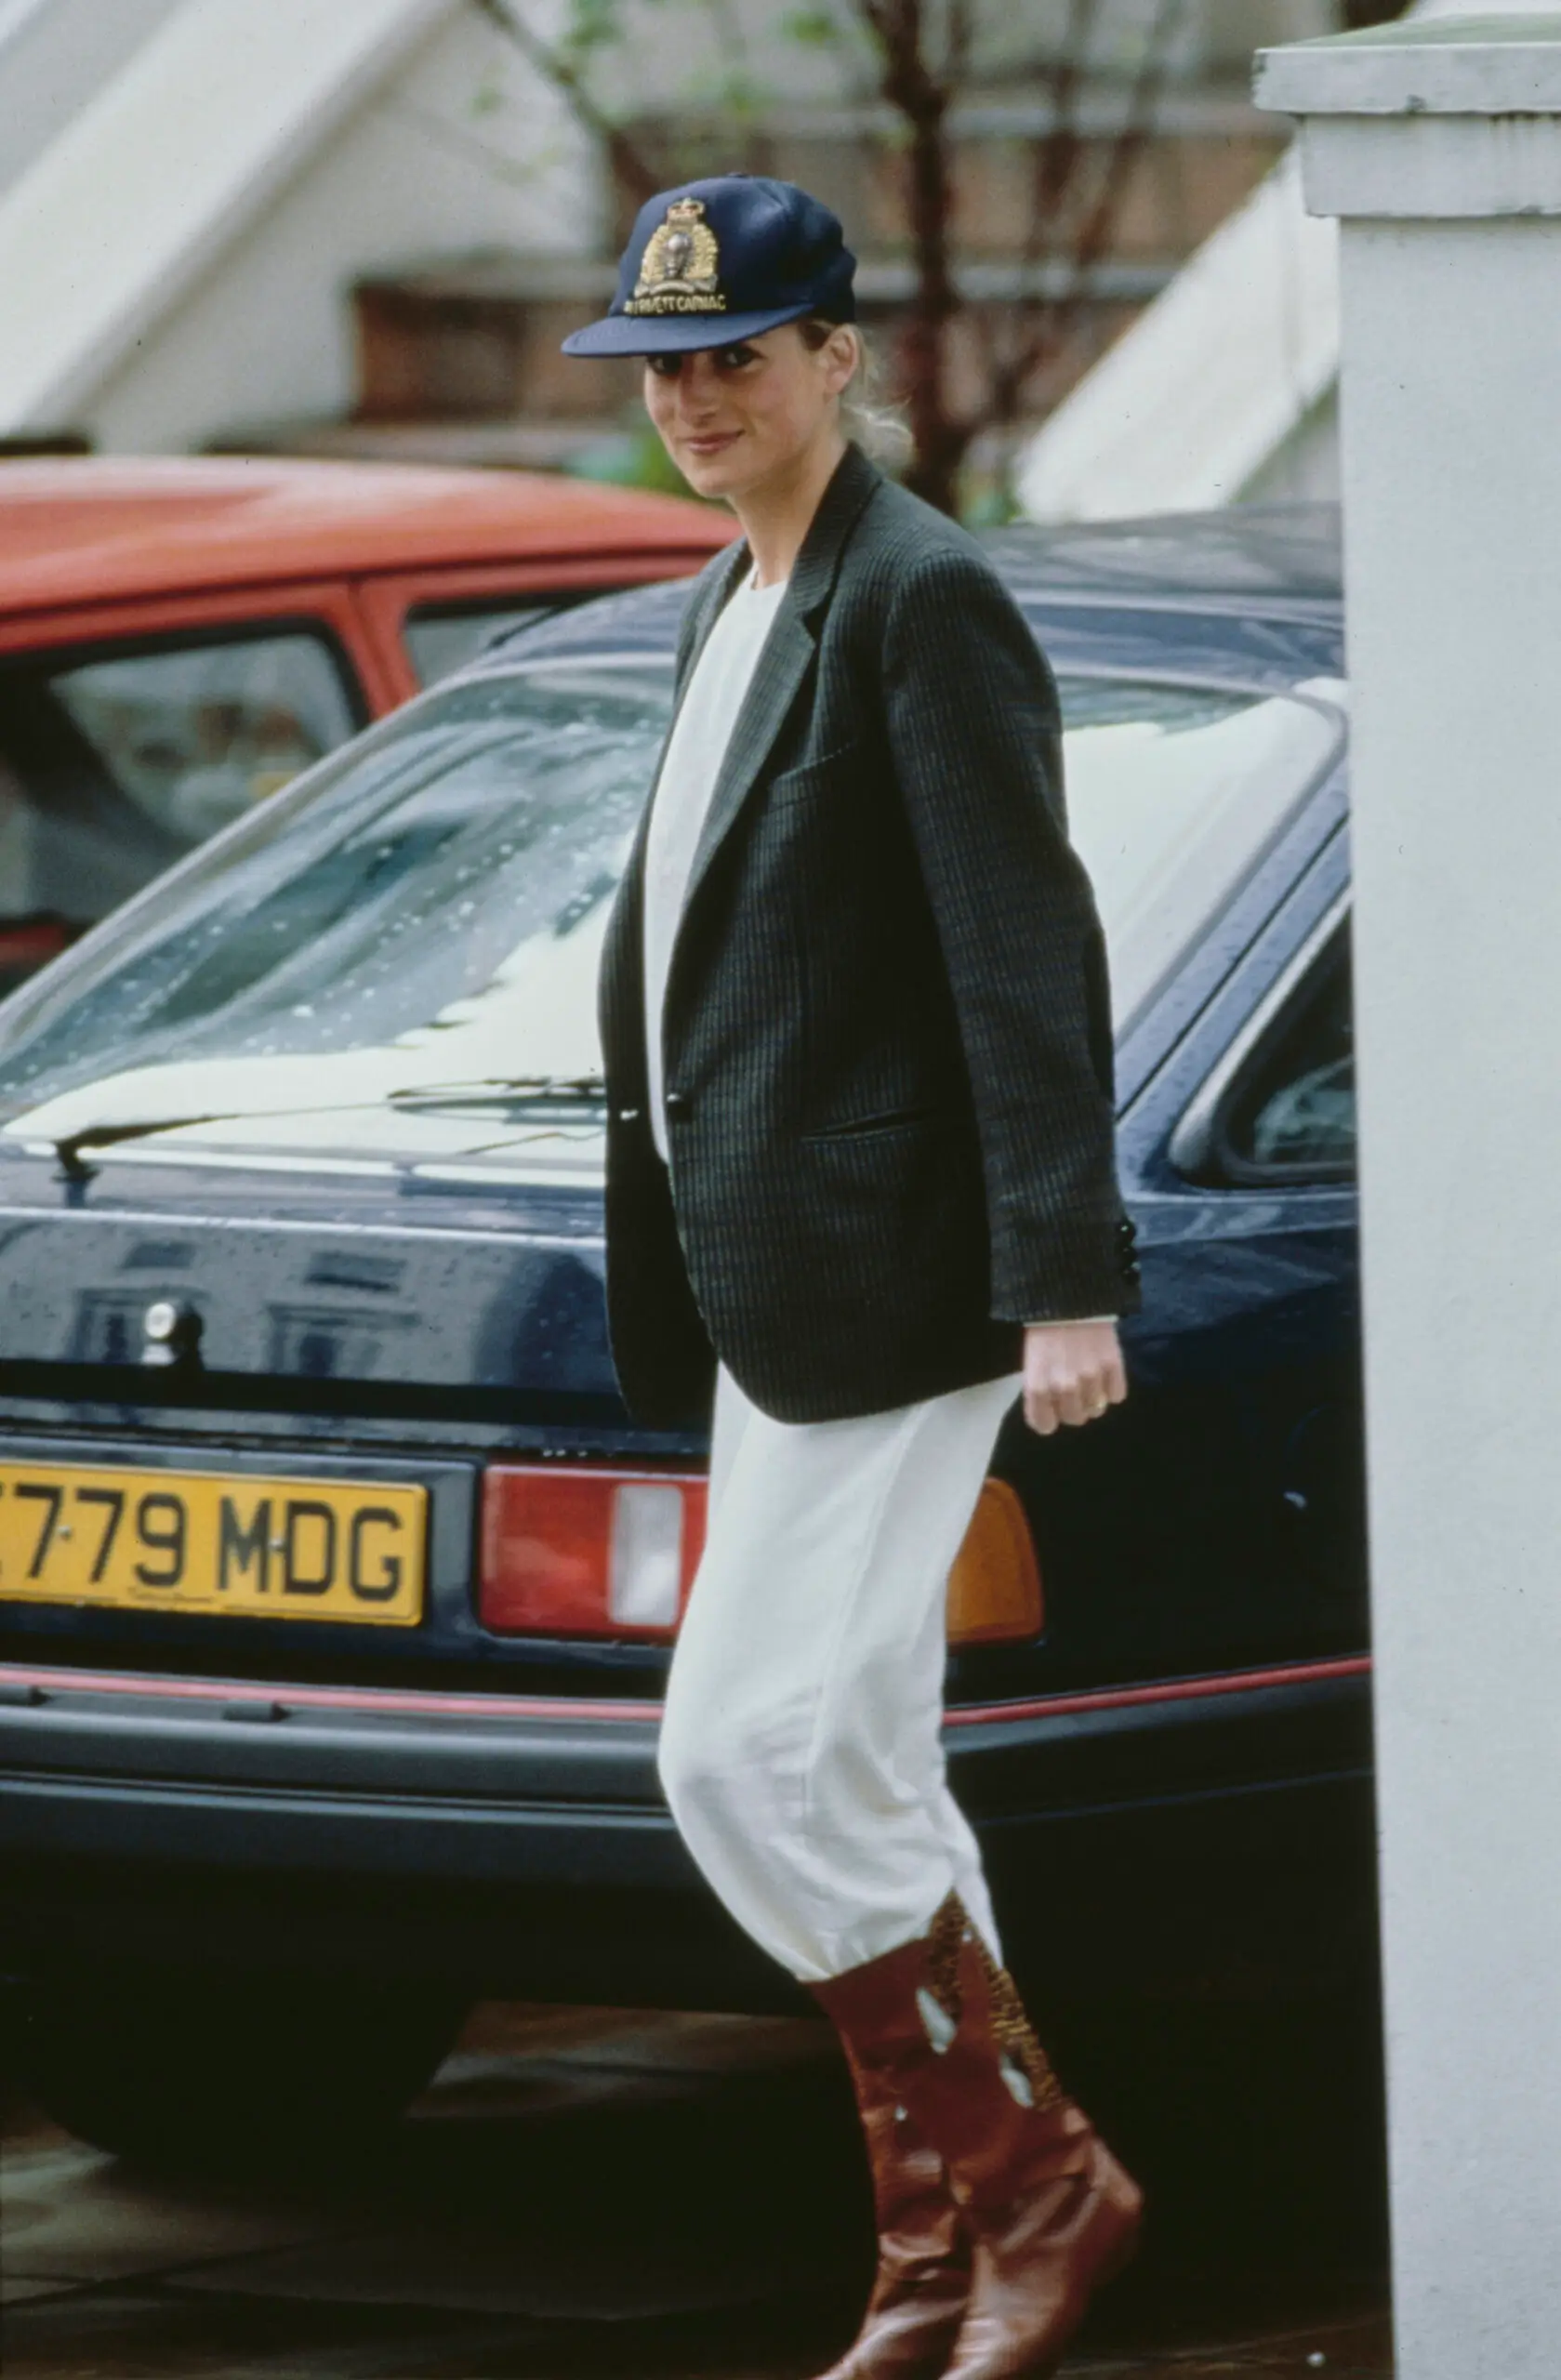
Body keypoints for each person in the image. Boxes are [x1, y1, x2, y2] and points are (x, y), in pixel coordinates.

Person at [562, 173, 1145, 2380]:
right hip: (766, 1277)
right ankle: (946, 2249)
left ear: (839, 360)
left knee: (740, 1753)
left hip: (899, 1284)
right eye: (664, 367)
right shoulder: (736, 594)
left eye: (737, 356)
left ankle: (1039, 2185)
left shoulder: (919, 599)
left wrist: (1057, 1277)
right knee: (868, 1768)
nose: (695, 400)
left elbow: (1022, 956)